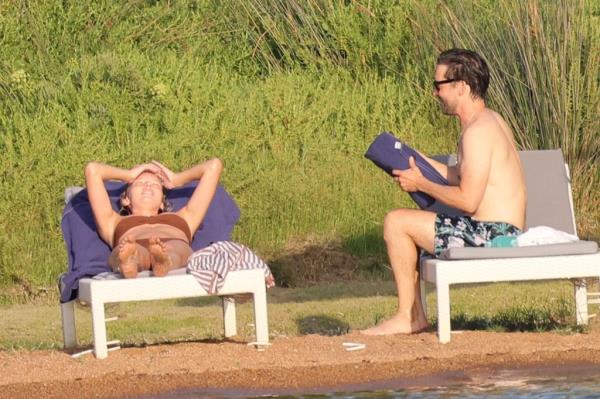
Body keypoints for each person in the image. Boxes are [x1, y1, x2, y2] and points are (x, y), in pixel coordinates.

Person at [361, 48, 527, 335]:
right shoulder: (490, 120)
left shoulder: (476, 134)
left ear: (461, 87)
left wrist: (421, 184)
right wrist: (415, 160)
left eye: (439, 85)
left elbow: (468, 200)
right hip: (500, 230)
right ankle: (412, 315)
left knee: (396, 222)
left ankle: (409, 317)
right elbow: (464, 176)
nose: (435, 93)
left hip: (492, 235)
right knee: (405, 223)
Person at [85, 158, 223, 278]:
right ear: (126, 199)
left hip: (173, 244)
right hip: (132, 244)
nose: (147, 186)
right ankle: (130, 262)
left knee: (175, 249)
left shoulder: (186, 216)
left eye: (155, 185)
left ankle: (164, 261)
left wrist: (177, 179)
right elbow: (92, 170)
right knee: (127, 251)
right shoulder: (113, 221)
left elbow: (214, 166)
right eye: (140, 183)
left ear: (163, 202)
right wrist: (127, 175)